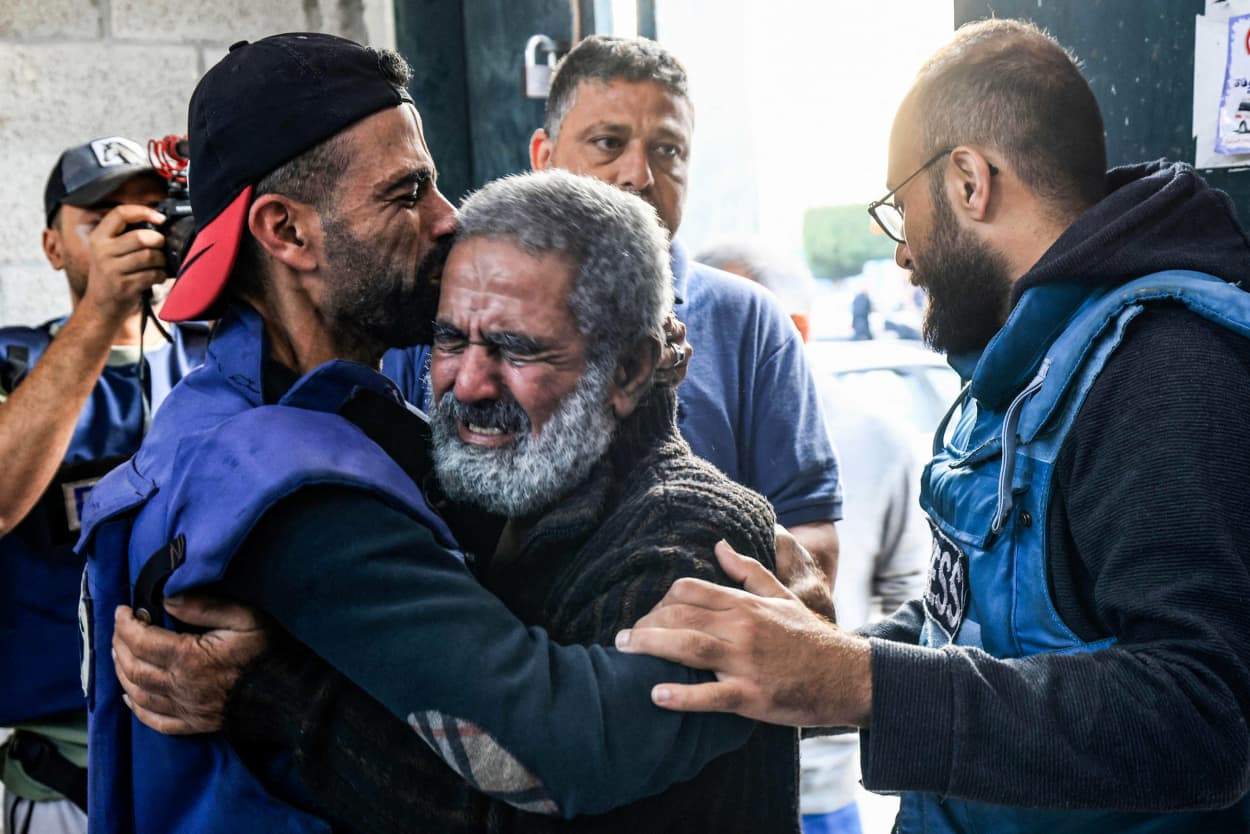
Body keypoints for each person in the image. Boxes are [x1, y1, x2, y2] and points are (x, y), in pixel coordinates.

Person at [76, 33, 782, 834]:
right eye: (407, 191)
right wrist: (778, 661)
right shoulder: (288, 483)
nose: (446, 217)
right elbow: (560, 749)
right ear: (287, 232)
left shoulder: (253, 416)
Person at [616, 18, 1250, 832]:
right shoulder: (1022, 368)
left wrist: (859, 680)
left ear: (967, 182)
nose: (901, 252)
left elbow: (1204, 715)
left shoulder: (1163, 365)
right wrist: (808, 661)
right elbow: (982, 630)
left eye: (898, 209)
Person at [386, 35, 842, 582]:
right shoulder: (451, 314)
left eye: (668, 150)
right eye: (608, 142)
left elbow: (812, 536)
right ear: (543, 158)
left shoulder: (749, 322)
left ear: (636, 366)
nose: (639, 175)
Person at [0, 137, 206, 834]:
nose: (133, 229)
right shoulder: (11, 362)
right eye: (101, 214)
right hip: (68, 770)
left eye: (151, 210)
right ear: (53, 247)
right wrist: (100, 313)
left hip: (215, 754)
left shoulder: (221, 355)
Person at [699, 240, 928, 834]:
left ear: (793, 329)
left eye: (728, 334)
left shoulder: (878, 438)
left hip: (823, 782)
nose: (698, 354)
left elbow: (923, 610)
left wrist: (836, 677)